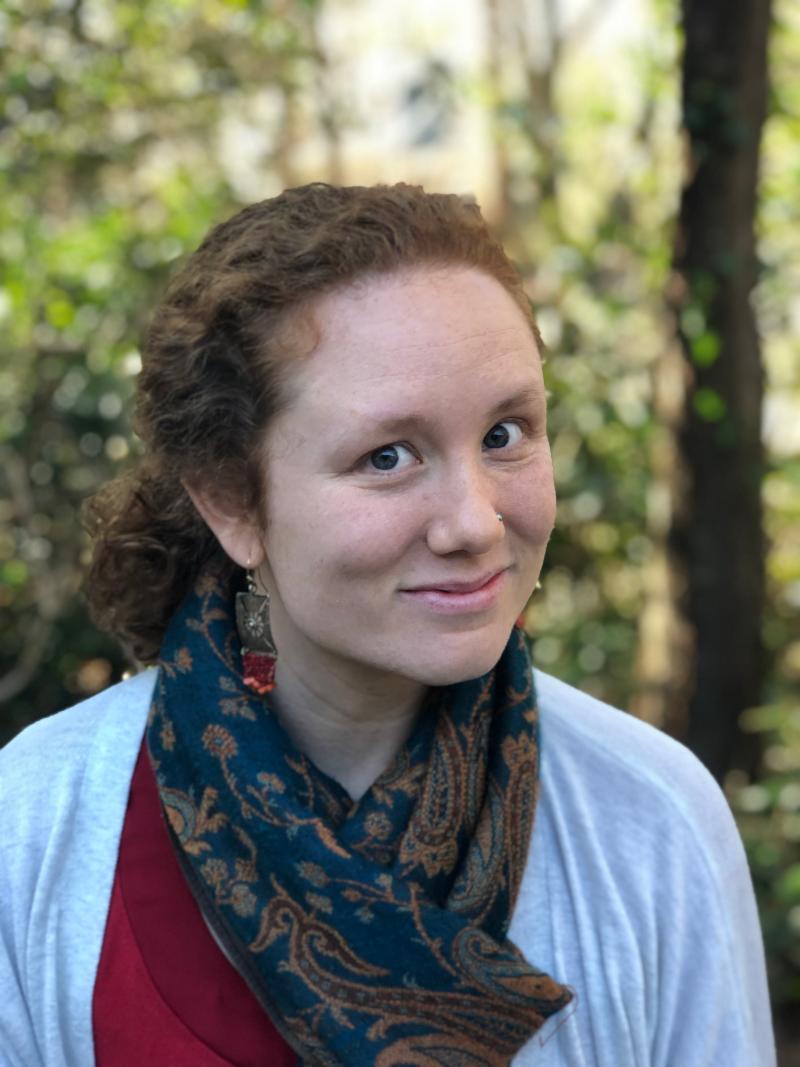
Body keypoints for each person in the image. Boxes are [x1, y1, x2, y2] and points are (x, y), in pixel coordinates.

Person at [0, 183, 774, 1066]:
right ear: (231, 499)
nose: (475, 523)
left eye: (505, 434)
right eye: (388, 456)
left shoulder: (649, 822)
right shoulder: (33, 827)